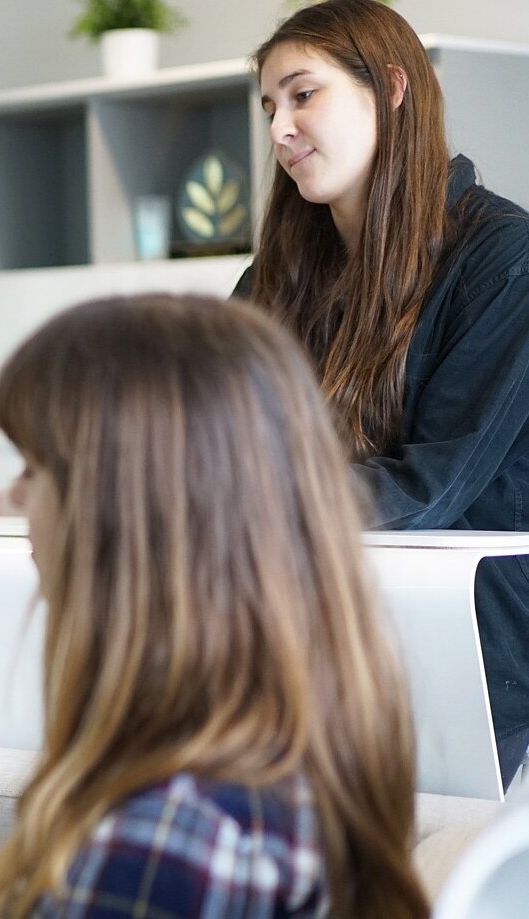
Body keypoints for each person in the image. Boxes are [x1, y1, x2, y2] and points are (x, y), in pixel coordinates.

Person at [0, 296, 427, 918]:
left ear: (124, 513)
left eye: (34, 467)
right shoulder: (292, 776)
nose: (14, 496)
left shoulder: (165, 844)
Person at [240, 0, 529, 786]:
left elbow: (431, 485)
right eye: (270, 106)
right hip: (310, 623)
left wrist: (235, 502)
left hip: (468, 647)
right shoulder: (277, 277)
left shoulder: (505, 258)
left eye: (304, 95)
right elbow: (212, 435)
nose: (278, 129)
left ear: (392, 88)